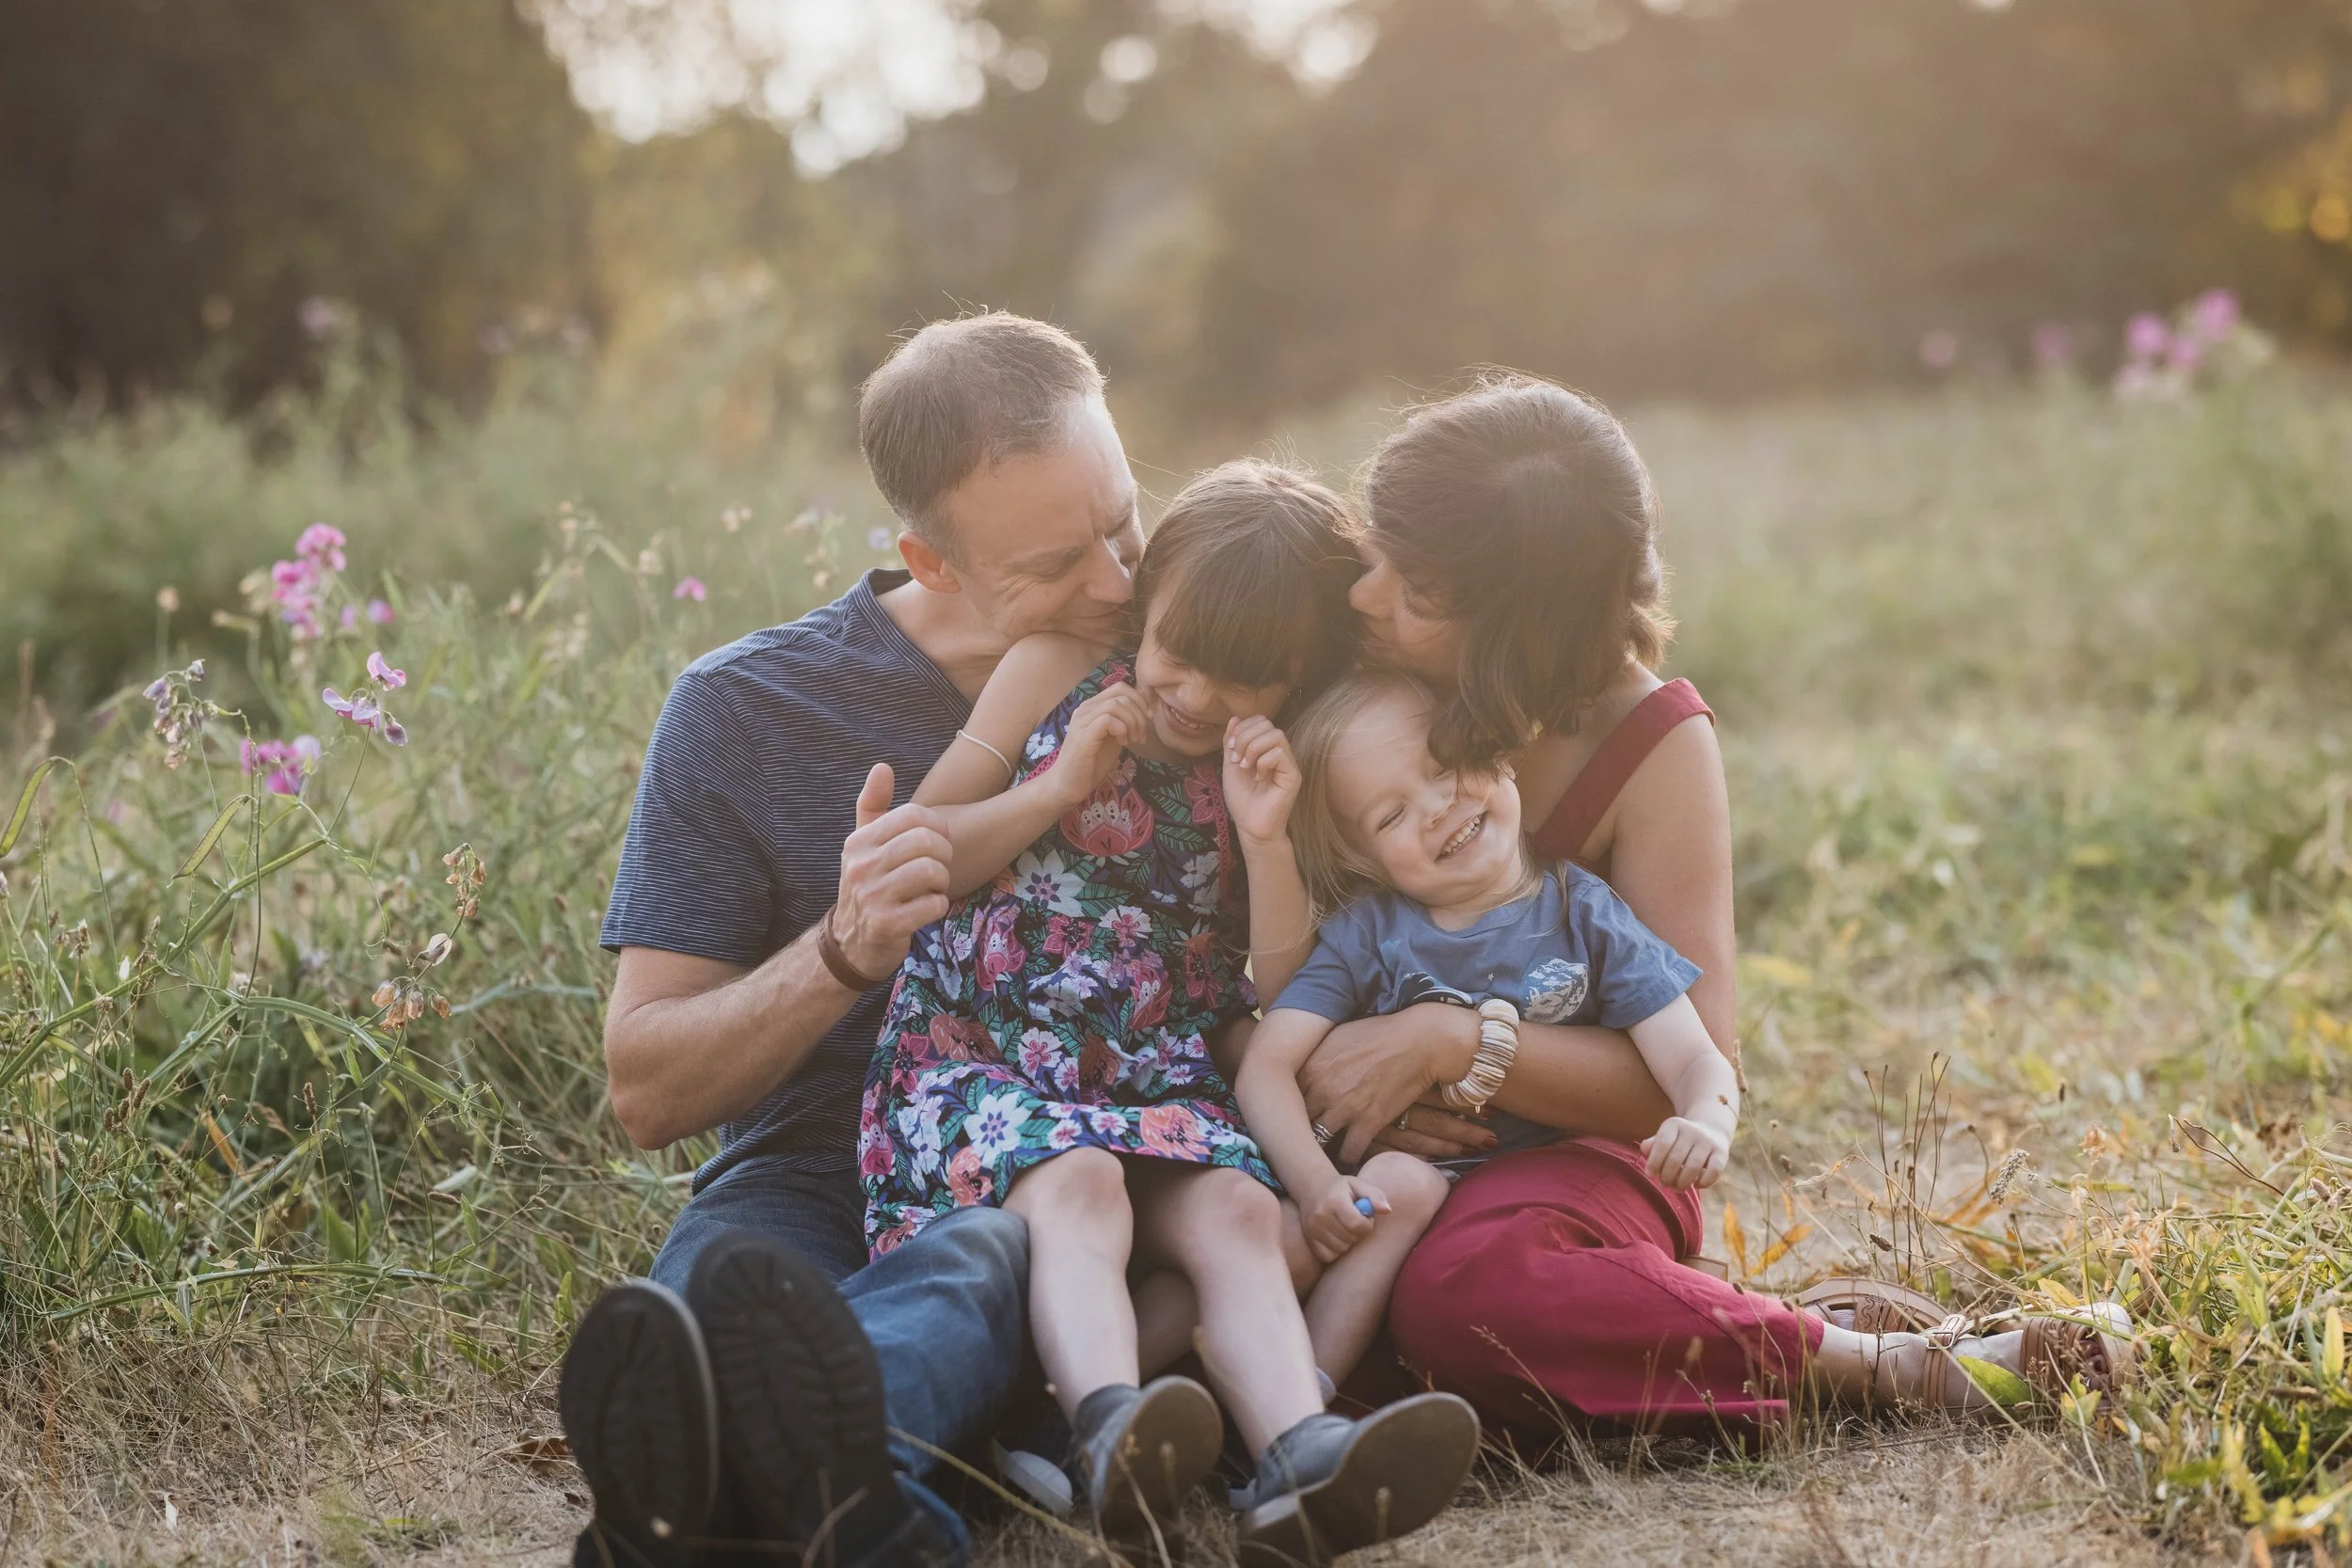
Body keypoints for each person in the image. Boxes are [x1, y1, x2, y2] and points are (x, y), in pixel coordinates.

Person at [1306, 373, 2133, 1440]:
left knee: (1465, 1301)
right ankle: (1676, 1321)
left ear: (1516, 635)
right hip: (1352, 1156)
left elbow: (1685, 1080)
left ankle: (1875, 1364)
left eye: (1414, 591)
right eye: (1378, 549)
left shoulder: (1649, 746)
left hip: (1563, 1166)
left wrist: (1448, 1041)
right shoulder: (1344, 659)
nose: (1365, 594)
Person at [558, 313, 1152, 1568]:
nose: (1115, 581)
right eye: (1057, 561)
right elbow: (647, 1086)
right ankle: (836, 1490)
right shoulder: (745, 708)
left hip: (1047, 1173)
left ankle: (707, 1496)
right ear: (929, 561)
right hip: (809, 1170)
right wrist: (839, 949)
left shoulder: (1190, 656)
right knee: (712, 1309)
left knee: (985, 1258)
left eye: (1125, 520)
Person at [859, 463, 1478, 1565]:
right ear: (1148, 610)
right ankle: (1105, 1426)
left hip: (1152, 1072)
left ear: (1292, 681)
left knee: (1238, 1211)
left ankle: (1302, 1453)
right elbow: (927, 848)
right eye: (1178, 657)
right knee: (1084, 1182)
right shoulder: (1053, 671)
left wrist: (1268, 836)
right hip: (979, 1059)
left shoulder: (1266, 766)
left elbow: (1284, 991)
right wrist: (1055, 790)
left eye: (1242, 682)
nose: (1194, 699)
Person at [1243, 666, 1740, 1232]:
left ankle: (1813, 1328)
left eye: (1446, 765)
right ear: (1365, 863)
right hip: (1390, 1203)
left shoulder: (1587, 915)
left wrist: (1706, 1122)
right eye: (1391, 815)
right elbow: (1268, 1062)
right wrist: (1315, 1185)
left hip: (1545, 1191)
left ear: (1500, 752)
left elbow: (1696, 1058)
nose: (1435, 807)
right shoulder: (1368, 935)